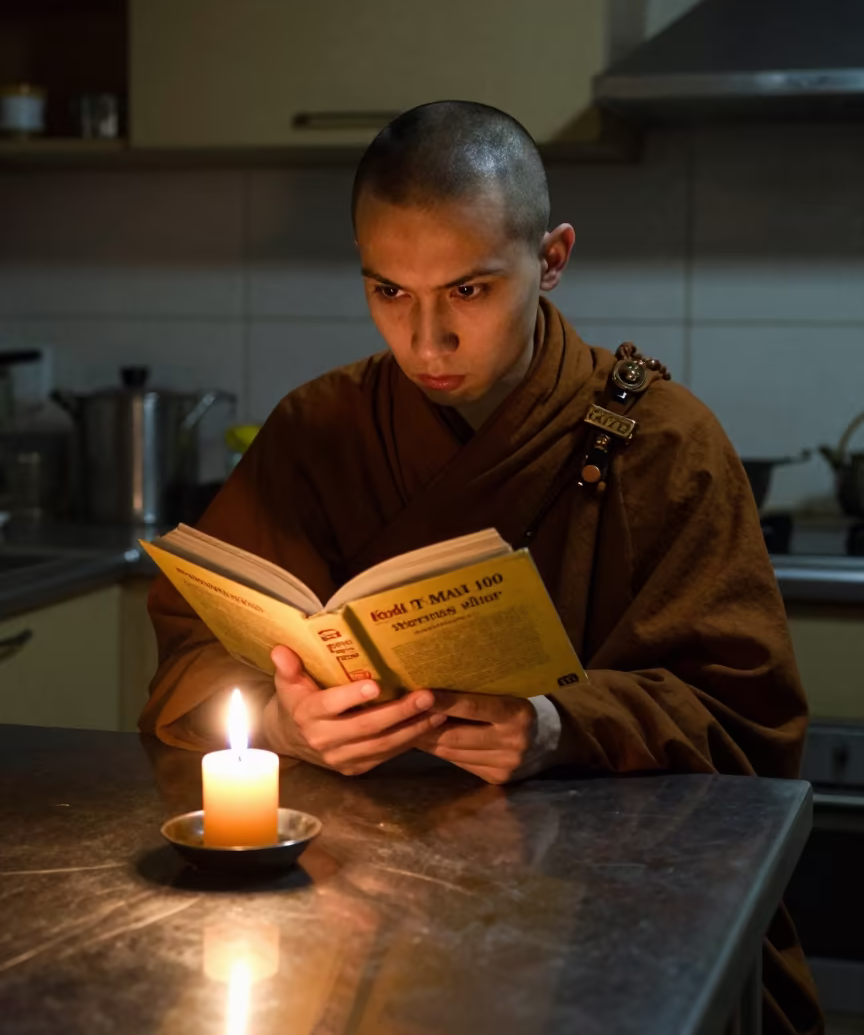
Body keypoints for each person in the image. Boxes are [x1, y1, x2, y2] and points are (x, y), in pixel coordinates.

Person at [140, 101, 821, 1034]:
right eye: (389, 292)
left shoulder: (667, 444)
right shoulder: (318, 429)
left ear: (551, 259)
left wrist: (555, 728)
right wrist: (285, 722)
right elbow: (190, 644)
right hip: (354, 908)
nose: (427, 343)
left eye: (469, 291)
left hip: (604, 915)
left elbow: (752, 722)